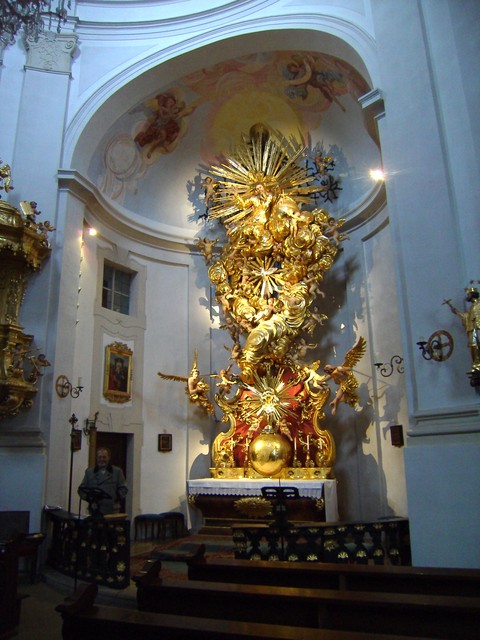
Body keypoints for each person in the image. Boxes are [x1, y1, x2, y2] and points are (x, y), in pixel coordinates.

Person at [78, 448, 128, 516]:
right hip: (95, 509)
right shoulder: (89, 472)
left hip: (112, 510)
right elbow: (81, 490)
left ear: (109, 458)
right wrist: (90, 499)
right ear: (97, 458)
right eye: (99, 457)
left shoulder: (117, 472)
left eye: (104, 457)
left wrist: (116, 499)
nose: (102, 459)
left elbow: (124, 489)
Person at [444, 285, 480, 373]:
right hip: (472, 330)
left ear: (472, 295)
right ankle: (476, 365)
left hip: (477, 330)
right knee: (472, 347)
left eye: (468, 294)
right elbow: (467, 318)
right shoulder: (472, 307)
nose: (467, 296)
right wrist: (456, 312)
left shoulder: (478, 305)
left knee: (477, 346)